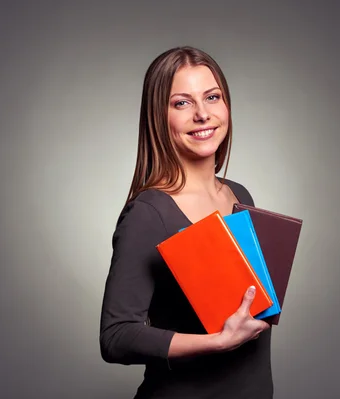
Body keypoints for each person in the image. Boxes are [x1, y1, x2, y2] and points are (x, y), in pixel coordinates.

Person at [99, 46, 273, 398]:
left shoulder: (240, 197)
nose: (202, 114)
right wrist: (217, 343)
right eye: (182, 103)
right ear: (159, 117)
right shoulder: (149, 213)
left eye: (212, 97)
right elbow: (115, 337)